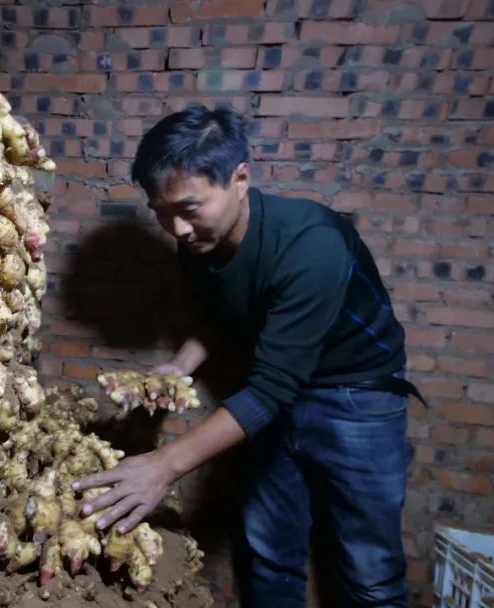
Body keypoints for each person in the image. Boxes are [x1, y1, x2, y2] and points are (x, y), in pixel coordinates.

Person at [72, 105, 422, 607]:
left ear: (240, 178)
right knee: (267, 553)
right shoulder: (196, 243)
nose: (176, 229)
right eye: (161, 212)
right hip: (272, 391)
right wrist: (179, 367)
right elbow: (223, 316)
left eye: (189, 208)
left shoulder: (311, 246)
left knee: (368, 571)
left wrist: (165, 465)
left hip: (356, 397)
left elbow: (272, 389)